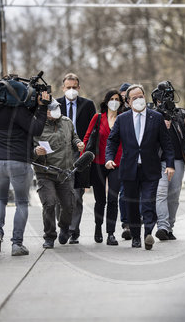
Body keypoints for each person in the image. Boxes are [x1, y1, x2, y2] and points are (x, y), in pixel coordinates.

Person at [105, 84, 175, 250]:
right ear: (128, 102)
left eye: (140, 96)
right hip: (129, 168)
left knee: (148, 202)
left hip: (150, 168)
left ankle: (148, 233)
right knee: (132, 204)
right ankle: (136, 236)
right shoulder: (122, 119)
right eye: (134, 98)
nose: (138, 100)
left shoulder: (156, 117)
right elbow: (112, 141)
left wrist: (170, 165)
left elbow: (167, 143)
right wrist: (109, 158)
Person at [0, 83, 48, 256]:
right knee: (21, 202)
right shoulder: (19, 111)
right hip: (19, 160)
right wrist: (42, 108)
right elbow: (36, 129)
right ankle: (17, 244)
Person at [33, 99, 84, 249]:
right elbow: (27, 148)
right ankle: (49, 236)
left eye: (58, 108)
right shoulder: (36, 125)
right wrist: (35, 151)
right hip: (45, 172)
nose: (56, 110)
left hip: (65, 172)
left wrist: (78, 143)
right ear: (46, 111)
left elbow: (74, 137)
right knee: (49, 203)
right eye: (52, 108)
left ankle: (64, 227)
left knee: (69, 205)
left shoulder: (67, 122)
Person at [153, 85, 185, 241]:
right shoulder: (153, 115)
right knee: (160, 194)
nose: (164, 101)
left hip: (178, 161)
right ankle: (162, 226)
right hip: (159, 161)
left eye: (167, 97)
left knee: (173, 197)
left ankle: (169, 228)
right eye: (160, 99)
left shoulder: (180, 113)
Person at [57, 73, 96, 244]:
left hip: (80, 154)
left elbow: (94, 130)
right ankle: (64, 226)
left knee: (77, 194)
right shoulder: (55, 105)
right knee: (61, 195)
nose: (71, 90)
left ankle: (72, 230)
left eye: (74, 87)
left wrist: (88, 152)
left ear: (78, 88)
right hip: (59, 155)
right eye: (68, 87)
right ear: (63, 88)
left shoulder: (87, 105)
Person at [83, 90, 124, 245]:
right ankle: (98, 227)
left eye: (117, 99)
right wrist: (83, 158)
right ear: (106, 102)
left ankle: (111, 233)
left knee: (113, 199)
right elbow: (87, 137)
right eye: (112, 99)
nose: (114, 101)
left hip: (117, 163)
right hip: (98, 163)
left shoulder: (123, 118)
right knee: (100, 200)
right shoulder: (98, 118)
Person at [118, 82, 132, 240]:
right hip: (121, 157)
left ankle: (137, 220)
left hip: (138, 157)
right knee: (123, 193)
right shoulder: (117, 113)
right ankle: (126, 223)